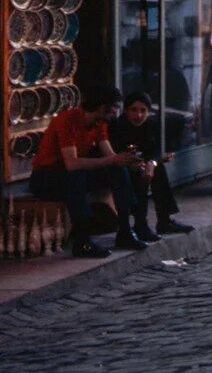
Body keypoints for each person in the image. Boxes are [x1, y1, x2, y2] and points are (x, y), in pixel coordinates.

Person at [29, 85, 144, 257]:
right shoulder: (67, 120)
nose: (115, 113)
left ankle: (125, 231)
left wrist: (125, 161)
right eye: (113, 108)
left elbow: (110, 156)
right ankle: (82, 241)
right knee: (77, 176)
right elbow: (72, 164)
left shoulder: (100, 124)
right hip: (46, 177)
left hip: (70, 175)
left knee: (118, 171)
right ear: (102, 107)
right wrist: (111, 160)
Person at [108, 91, 193, 238]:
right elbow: (115, 153)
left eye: (143, 111)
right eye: (134, 110)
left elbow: (156, 151)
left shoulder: (151, 125)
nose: (138, 115)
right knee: (140, 174)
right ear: (126, 110)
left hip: (143, 164)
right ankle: (140, 223)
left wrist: (152, 163)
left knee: (157, 170)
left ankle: (163, 220)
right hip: (120, 167)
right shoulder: (117, 127)